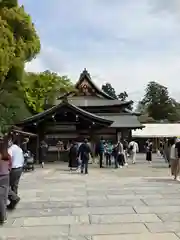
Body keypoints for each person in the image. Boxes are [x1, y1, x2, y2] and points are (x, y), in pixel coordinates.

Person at [7, 140, 24, 207]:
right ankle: (13, 202)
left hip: (13, 169)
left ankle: (14, 198)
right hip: (19, 168)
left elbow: (9, 160)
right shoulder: (19, 148)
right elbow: (22, 159)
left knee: (6, 186)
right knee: (15, 185)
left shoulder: (10, 149)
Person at [0, 139, 11, 224]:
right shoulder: (6, 154)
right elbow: (10, 165)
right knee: (3, 198)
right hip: (6, 176)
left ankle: (2, 217)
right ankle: (3, 217)